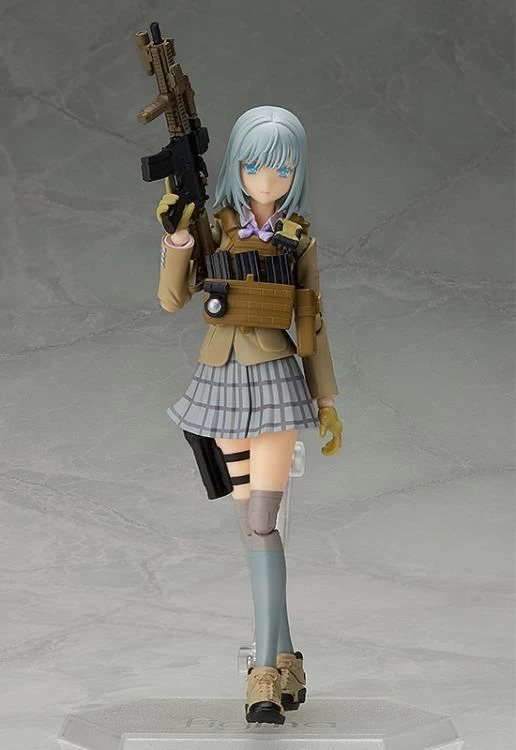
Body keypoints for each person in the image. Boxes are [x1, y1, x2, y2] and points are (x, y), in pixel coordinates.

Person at [155, 105, 343, 725]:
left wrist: (326, 399)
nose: (267, 180)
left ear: (297, 172)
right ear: (236, 165)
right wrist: (178, 240)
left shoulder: (298, 240)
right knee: (252, 528)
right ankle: (287, 657)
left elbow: (312, 320)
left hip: (276, 382)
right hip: (220, 383)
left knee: (263, 523)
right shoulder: (215, 230)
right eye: (255, 166)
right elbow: (171, 299)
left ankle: (263, 673)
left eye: (282, 169)